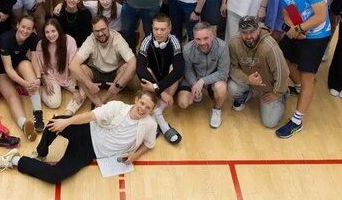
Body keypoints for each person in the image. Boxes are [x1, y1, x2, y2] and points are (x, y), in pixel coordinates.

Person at [0, 91, 157, 183]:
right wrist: (67, 122)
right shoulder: (117, 107)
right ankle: (41, 153)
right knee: (54, 123)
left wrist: (135, 156)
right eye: (142, 103)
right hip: (86, 130)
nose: (143, 109)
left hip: (88, 153)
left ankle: (14, 160)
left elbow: (149, 144)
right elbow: (90, 116)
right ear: (136, 100)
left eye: (148, 107)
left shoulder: (150, 124)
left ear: (152, 110)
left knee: (54, 176)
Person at [273, 0, 332, 138]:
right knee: (281, 56)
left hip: (317, 37)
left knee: (308, 77)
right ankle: (298, 86)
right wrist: (295, 29)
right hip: (300, 32)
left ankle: (297, 121)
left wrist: (298, 29)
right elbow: (287, 13)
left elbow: (320, 16)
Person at [228, 16, 289, 128]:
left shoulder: (269, 46)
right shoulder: (234, 43)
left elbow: (282, 71)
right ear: (240, 32)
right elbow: (232, 67)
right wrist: (248, 79)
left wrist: (277, 92)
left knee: (269, 122)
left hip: (269, 86)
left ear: (258, 30)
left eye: (252, 32)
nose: (248, 36)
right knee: (232, 87)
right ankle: (248, 94)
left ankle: (283, 95)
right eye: (244, 32)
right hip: (249, 81)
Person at [0, 15, 44, 140]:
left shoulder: (33, 38)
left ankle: (38, 113)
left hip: (18, 66)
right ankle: (24, 125)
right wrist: (24, 83)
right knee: (13, 96)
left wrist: (38, 78)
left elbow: (34, 60)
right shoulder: (5, 39)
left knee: (27, 65)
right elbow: (8, 69)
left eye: (29, 28)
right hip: (2, 72)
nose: (25, 31)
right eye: (23, 27)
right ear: (17, 25)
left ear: (32, 30)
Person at [69, 16, 137, 107]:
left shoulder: (117, 38)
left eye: (103, 29)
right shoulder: (90, 40)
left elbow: (133, 62)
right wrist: (89, 84)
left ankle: (105, 100)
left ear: (108, 27)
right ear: (93, 31)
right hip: (96, 74)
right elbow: (73, 65)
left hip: (115, 76)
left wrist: (118, 85)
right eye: (97, 31)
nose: (100, 34)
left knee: (127, 67)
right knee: (81, 70)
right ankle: (99, 104)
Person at [137, 16, 184, 144]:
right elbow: (140, 68)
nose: (158, 33)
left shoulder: (174, 41)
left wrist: (157, 87)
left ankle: (157, 113)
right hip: (153, 80)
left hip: (167, 79)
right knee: (146, 71)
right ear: (152, 28)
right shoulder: (147, 41)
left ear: (169, 29)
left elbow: (179, 70)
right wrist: (159, 90)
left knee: (174, 68)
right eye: (156, 29)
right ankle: (162, 122)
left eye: (162, 29)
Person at [177, 22, 230, 129]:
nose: (202, 43)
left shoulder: (222, 47)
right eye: (198, 39)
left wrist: (202, 81)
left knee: (221, 88)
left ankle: (217, 109)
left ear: (212, 35)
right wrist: (195, 84)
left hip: (213, 80)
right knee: (183, 103)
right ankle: (197, 93)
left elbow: (223, 72)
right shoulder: (187, 49)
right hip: (194, 78)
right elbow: (188, 70)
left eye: (206, 38)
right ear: (194, 38)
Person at [35, 19, 84, 115]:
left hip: (69, 75)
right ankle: (39, 90)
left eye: (53, 31)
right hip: (51, 76)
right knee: (54, 103)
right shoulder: (41, 44)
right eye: (47, 32)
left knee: (85, 88)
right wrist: (45, 80)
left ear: (59, 30)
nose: (50, 35)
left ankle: (69, 111)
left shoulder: (69, 41)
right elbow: (41, 66)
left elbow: (73, 66)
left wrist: (76, 89)